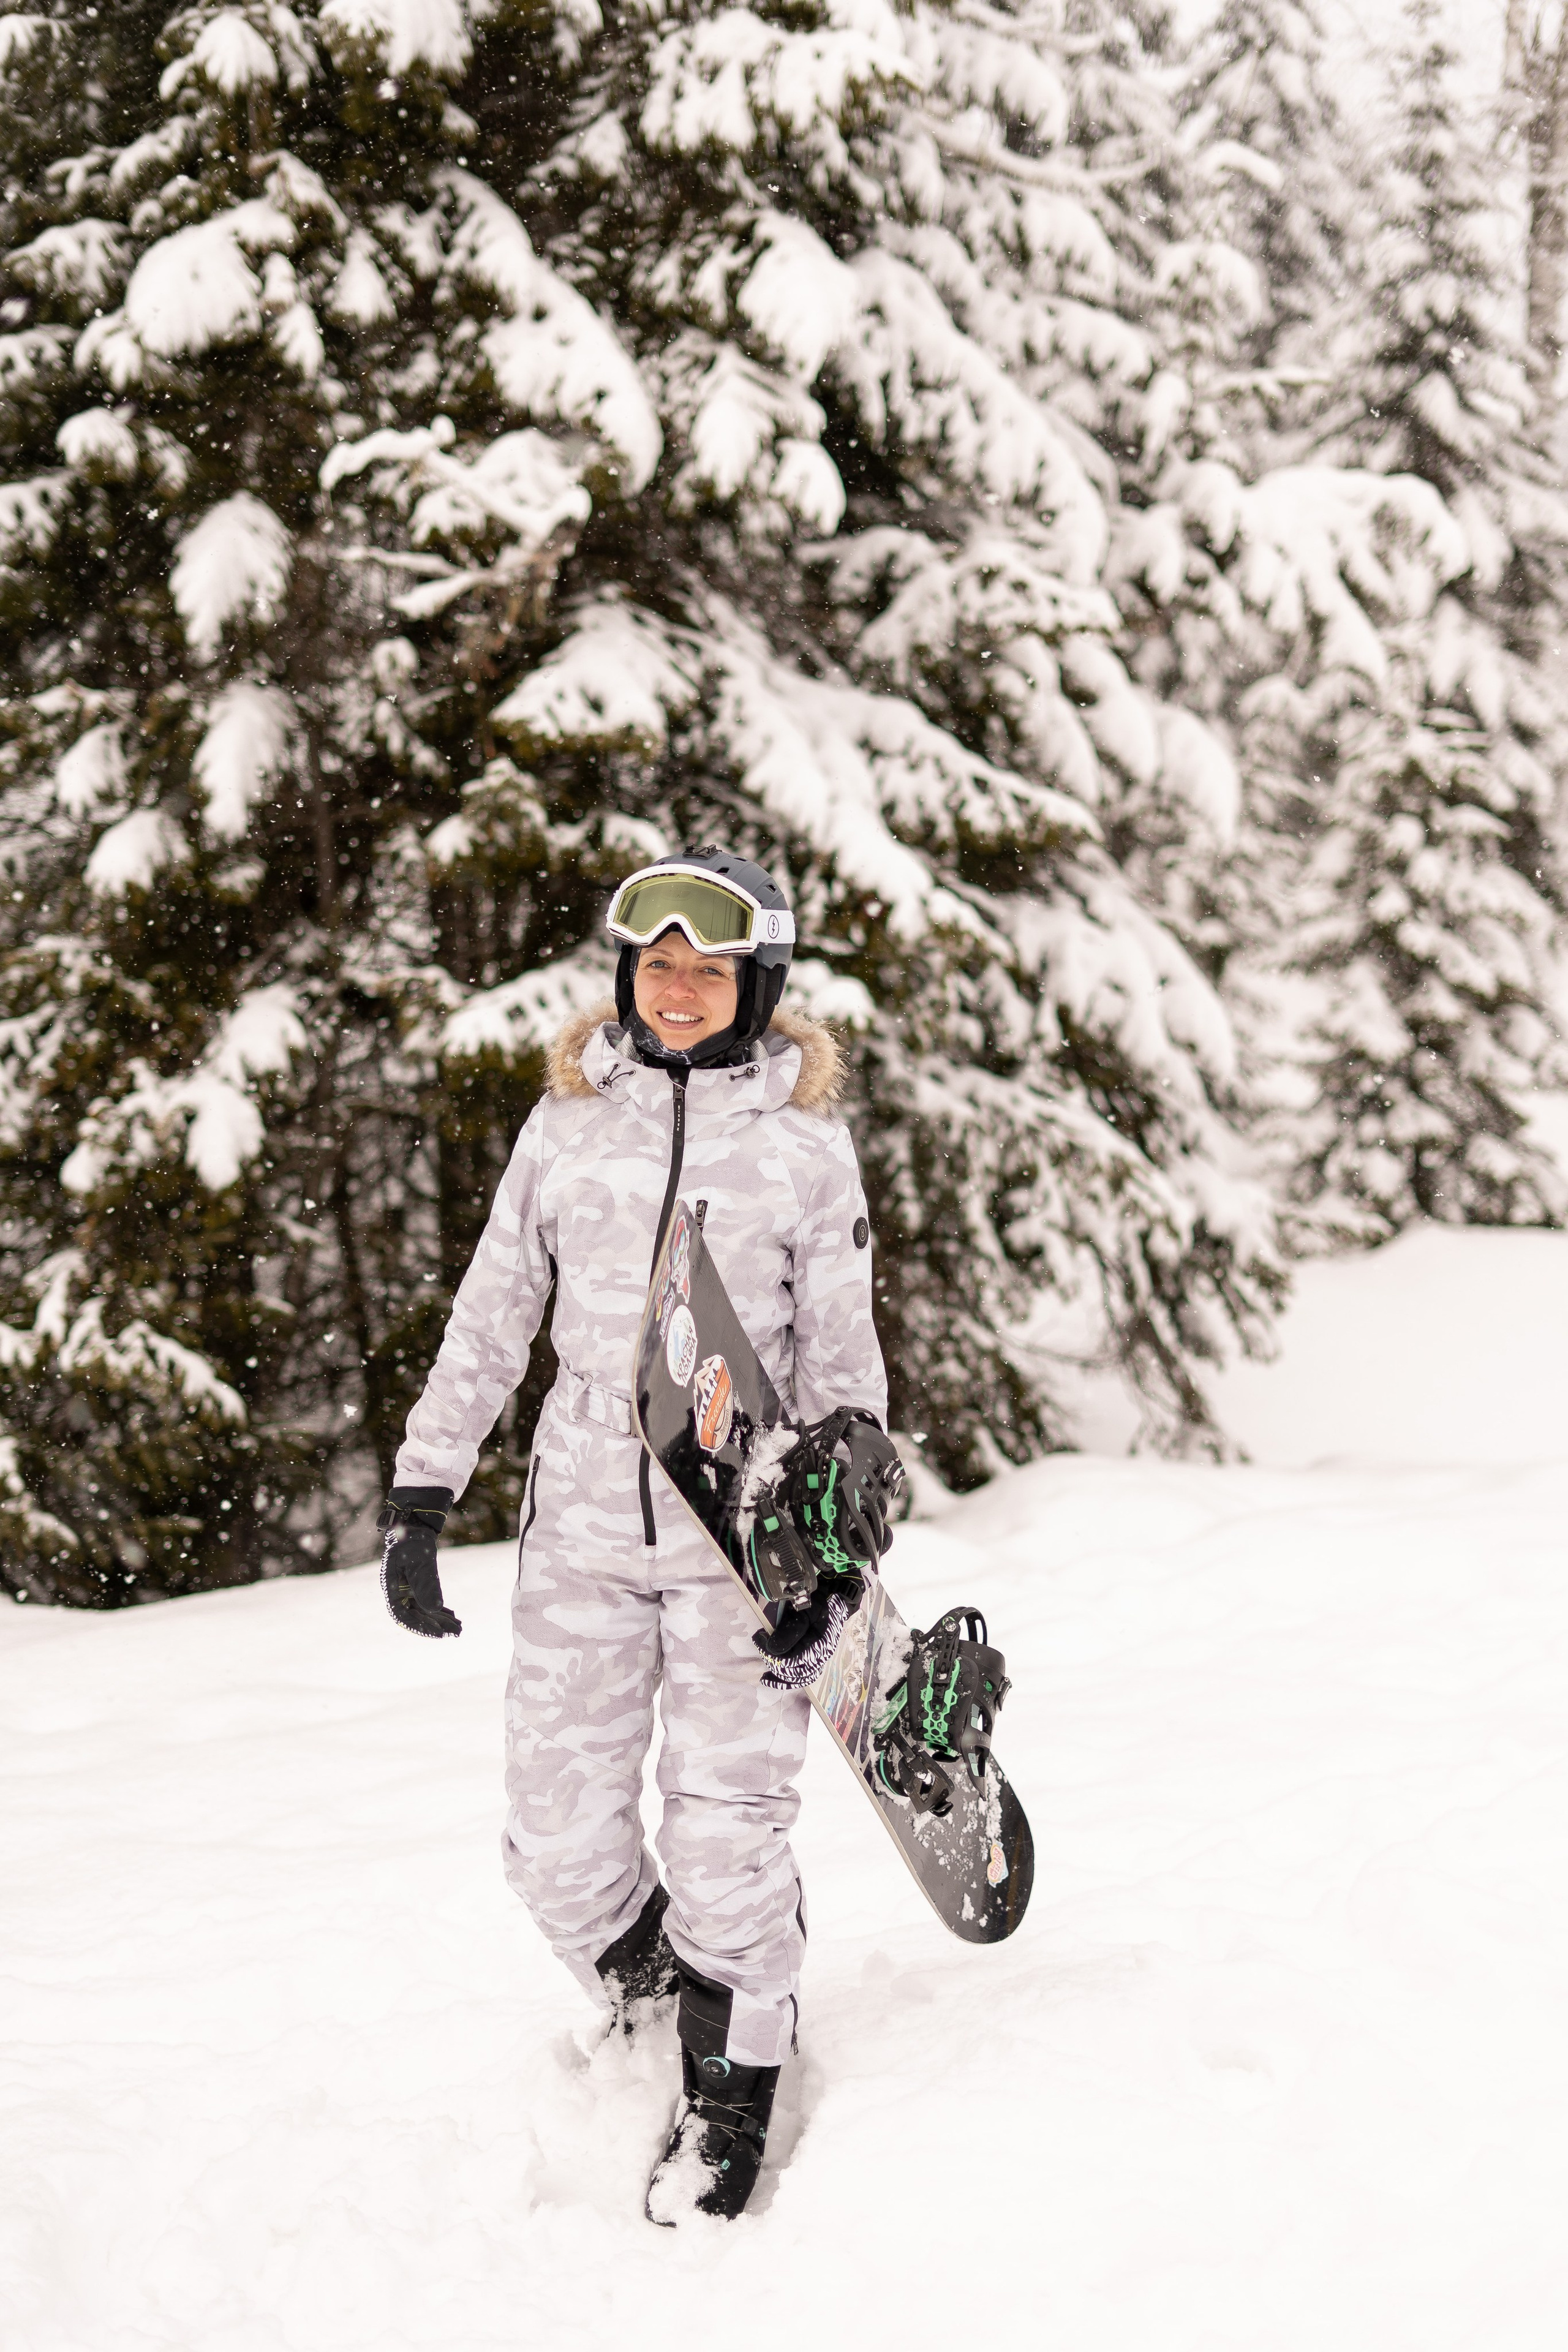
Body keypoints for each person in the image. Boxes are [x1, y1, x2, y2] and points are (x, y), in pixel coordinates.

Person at [377, 849, 901, 2223]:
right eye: (656, 966)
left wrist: (835, 1542)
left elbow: (847, 1371)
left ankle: (733, 2085)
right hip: (583, 1535)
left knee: (727, 1836)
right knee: (554, 1840)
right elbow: (492, 1315)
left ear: (756, 985)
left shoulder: (800, 1143)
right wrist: (426, 1491)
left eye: (708, 970)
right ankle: (663, 1994)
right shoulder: (566, 1127)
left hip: (744, 1540)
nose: (676, 991)